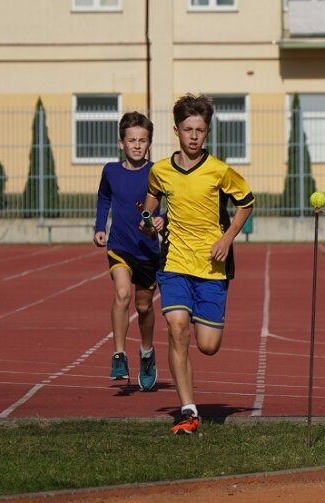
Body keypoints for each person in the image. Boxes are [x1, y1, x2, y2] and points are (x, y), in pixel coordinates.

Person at [143, 94, 254, 434]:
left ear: (207, 132)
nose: (193, 136)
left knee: (207, 345)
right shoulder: (160, 170)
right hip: (174, 262)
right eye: (188, 129)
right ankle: (188, 411)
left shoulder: (219, 170)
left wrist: (227, 238)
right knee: (177, 327)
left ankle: (190, 401)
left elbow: (247, 202)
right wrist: (151, 222)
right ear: (176, 129)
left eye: (200, 130)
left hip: (211, 268)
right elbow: (148, 210)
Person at [93, 111, 160, 391]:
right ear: (122, 142)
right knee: (122, 293)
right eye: (131, 140)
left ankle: (146, 352)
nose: (136, 145)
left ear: (149, 143)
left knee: (143, 306)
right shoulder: (110, 171)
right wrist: (100, 226)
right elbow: (104, 197)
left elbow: (166, 203)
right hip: (119, 245)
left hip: (147, 250)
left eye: (142, 140)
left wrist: (162, 220)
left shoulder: (157, 172)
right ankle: (118, 355)